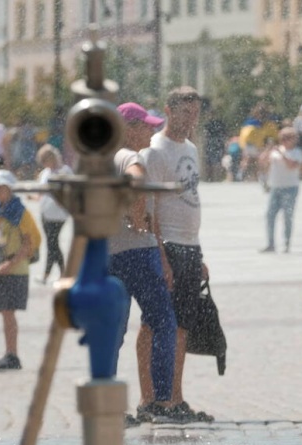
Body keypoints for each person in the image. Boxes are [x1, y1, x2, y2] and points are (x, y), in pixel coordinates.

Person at [142, 86, 214, 421]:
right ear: (168, 111)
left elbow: (191, 198)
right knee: (155, 325)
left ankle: (175, 396)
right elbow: (150, 207)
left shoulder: (191, 148)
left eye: (196, 113)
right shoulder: (155, 150)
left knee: (182, 325)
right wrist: (160, 255)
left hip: (189, 244)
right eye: (185, 112)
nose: (191, 119)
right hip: (166, 243)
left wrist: (198, 255)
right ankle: (150, 399)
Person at [109, 102, 179, 424]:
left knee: (113, 332)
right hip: (137, 252)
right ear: (128, 128)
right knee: (163, 323)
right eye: (145, 126)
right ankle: (161, 401)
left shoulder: (100, 161)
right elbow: (136, 182)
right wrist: (137, 219)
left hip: (108, 255)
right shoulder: (129, 157)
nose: (151, 131)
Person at [0, 170, 42, 370]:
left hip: (14, 269)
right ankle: (10, 353)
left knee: (8, 313)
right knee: (5, 313)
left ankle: (12, 355)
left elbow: (29, 244)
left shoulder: (19, 212)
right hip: (1, 269)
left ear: (8, 189)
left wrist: (9, 264)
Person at [261, 127, 302, 253]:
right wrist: (268, 150)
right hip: (275, 187)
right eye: (282, 138)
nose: (284, 141)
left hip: (290, 188)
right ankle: (270, 243)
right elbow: (262, 162)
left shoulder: (297, 152)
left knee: (287, 216)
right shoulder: (275, 151)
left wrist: (281, 154)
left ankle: (286, 243)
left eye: (287, 138)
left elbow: (292, 166)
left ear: (294, 139)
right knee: (270, 215)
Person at [34, 144, 72, 284]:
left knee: (53, 243)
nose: (44, 164)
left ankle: (59, 272)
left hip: (59, 213)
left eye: (45, 160)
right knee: (51, 244)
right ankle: (50, 273)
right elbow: (41, 191)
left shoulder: (65, 171)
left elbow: (69, 191)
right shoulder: (45, 172)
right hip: (45, 212)